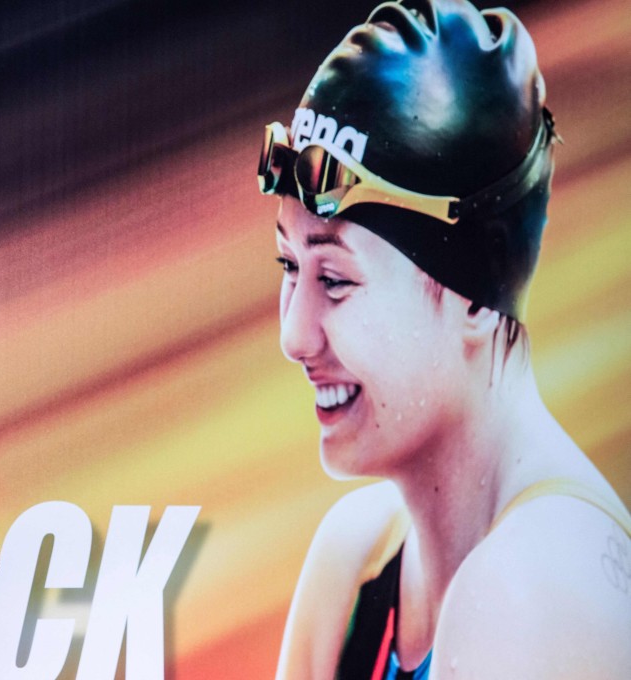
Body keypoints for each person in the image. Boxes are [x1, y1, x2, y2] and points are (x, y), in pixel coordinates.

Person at [257, 1, 631, 678]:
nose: (293, 332)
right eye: (290, 267)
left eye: (336, 280)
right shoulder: (360, 563)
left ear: (475, 299)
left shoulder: (539, 588)